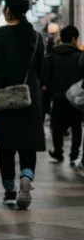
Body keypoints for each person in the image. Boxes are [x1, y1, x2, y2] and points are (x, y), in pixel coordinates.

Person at [0, 0, 45, 209]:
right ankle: (26, 175)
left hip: (3, 99)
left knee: (6, 147)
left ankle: (9, 190)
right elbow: (40, 71)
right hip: (30, 99)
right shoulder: (35, 37)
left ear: (8, 11)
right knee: (28, 144)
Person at [43, 26, 83, 165]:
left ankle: (58, 151)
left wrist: (47, 100)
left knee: (57, 127)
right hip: (76, 99)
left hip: (58, 97)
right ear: (73, 39)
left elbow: (46, 79)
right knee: (76, 127)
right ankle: (74, 153)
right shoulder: (80, 56)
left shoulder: (51, 56)